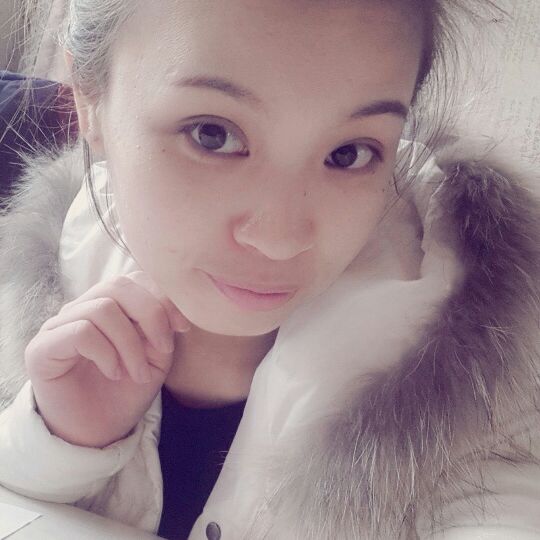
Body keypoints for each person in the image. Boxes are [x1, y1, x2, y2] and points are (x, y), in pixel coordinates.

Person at [0, 1, 539, 539]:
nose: (280, 240)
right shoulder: (52, 265)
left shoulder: (481, 344)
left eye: (350, 153)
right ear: (88, 101)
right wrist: (59, 439)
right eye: (211, 134)